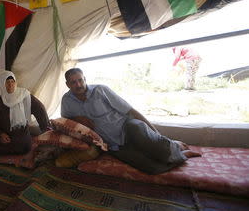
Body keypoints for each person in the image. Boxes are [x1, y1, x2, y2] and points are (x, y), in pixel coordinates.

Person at [61, 68, 201, 175]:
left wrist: (156, 133)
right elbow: (65, 122)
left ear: (85, 79)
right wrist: (76, 119)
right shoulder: (67, 101)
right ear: (68, 85)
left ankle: (174, 146)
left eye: (80, 80)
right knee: (151, 168)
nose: (78, 84)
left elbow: (130, 111)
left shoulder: (100, 90)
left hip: (128, 128)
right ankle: (182, 156)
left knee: (156, 146)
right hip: (111, 144)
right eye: (73, 82)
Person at [0, 71, 50, 156]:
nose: (10, 85)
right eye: (7, 82)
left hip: (22, 141)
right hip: (6, 138)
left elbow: (40, 109)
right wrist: (1, 134)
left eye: (12, 82)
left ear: (15, 82)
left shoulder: (24, 96)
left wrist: (46, 131)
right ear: (2, 84)